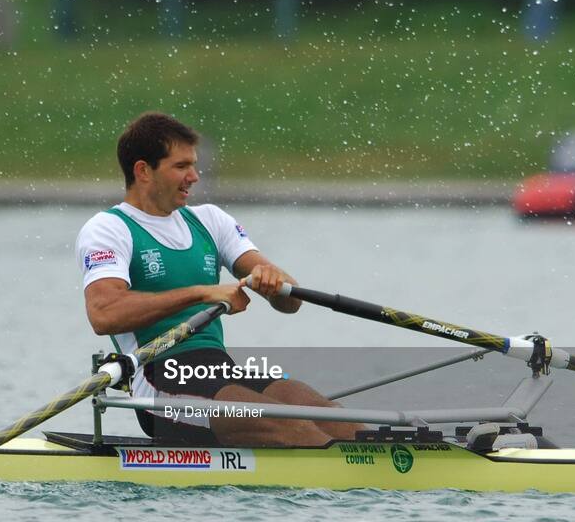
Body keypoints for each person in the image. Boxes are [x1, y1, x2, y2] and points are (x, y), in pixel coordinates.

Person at [76, 112, 364, 447]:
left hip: (218, 370)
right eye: (181, 166)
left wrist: (273, 280)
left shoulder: (210, 221)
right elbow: (104, 314)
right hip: (159, 382)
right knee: (294, 429)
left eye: (194, 165)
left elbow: (291, 302)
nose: (194, 177)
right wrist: (202, 293)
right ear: (143, 171)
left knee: (343, 423)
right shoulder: (109, 229)